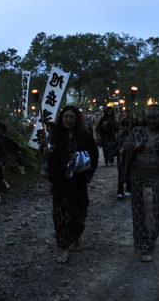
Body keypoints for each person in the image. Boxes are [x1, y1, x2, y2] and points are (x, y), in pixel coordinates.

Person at [124, 104, 159, 262]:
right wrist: (134, 148)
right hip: (138, 176)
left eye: (155, 118)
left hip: (157, 177)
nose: (152, 120)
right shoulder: (136, 132)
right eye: (149, 118)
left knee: (155, 210)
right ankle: (142, 243)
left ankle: (150, 242)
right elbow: (126, 150)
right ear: (145, 118)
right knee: (139, 210)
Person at [47, 105, 99, 263]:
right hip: (61, 182)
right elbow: (49, 161)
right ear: (61, 119)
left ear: (76, 119)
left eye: (71, 117)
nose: (68, 120)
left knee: (79, 212)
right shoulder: (54, 137)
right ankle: (64, 247)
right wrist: (50, 155)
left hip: (78, 182)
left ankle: (76, 236)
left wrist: (81, 161)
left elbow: (94, 155)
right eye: (66, 117)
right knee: (60, 214)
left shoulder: (84, 136)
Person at [0, 123, 23, 190]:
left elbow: (14, 145)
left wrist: (18, 151)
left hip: (1, 158)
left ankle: (6, 185)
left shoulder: (5, 139)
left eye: (0, 129)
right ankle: (3, 185)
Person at [115, 110, 133, 199]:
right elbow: (116, 145)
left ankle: (129, 189)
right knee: (120, 173)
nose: (123, 128)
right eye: (122, 126)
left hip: (129, 156)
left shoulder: (132, 135)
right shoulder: (119, 135)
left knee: (129, 172)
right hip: (121, 156)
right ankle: (120, 191)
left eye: (125, 126)